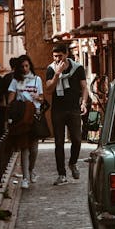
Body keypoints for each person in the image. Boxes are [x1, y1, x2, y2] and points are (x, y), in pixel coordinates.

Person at [46, 43, 89, 185]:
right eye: (55, 56)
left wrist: (83, 103)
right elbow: (49, 89)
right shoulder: (51, 69)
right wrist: (57, 73)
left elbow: (84, 88)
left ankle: (73, 162)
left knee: (77, 139)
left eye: (60, 56)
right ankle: (61, 174)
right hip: (58, 110)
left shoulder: (78, 68)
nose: (57, 59)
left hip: (74, 109)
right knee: (59, 142)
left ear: (66, 54)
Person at [7, 55, 44, 189]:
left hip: (34, 116)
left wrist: (37, 98)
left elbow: (42, 98)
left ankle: (31, 169)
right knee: (24, 148)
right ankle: (25, 178)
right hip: (22, 117)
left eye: (27, 66)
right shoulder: (15, 81)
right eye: (22, 66)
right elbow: (10, 100)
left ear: (30, 66)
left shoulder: (37, 79)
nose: (25, 69)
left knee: (34, 149)